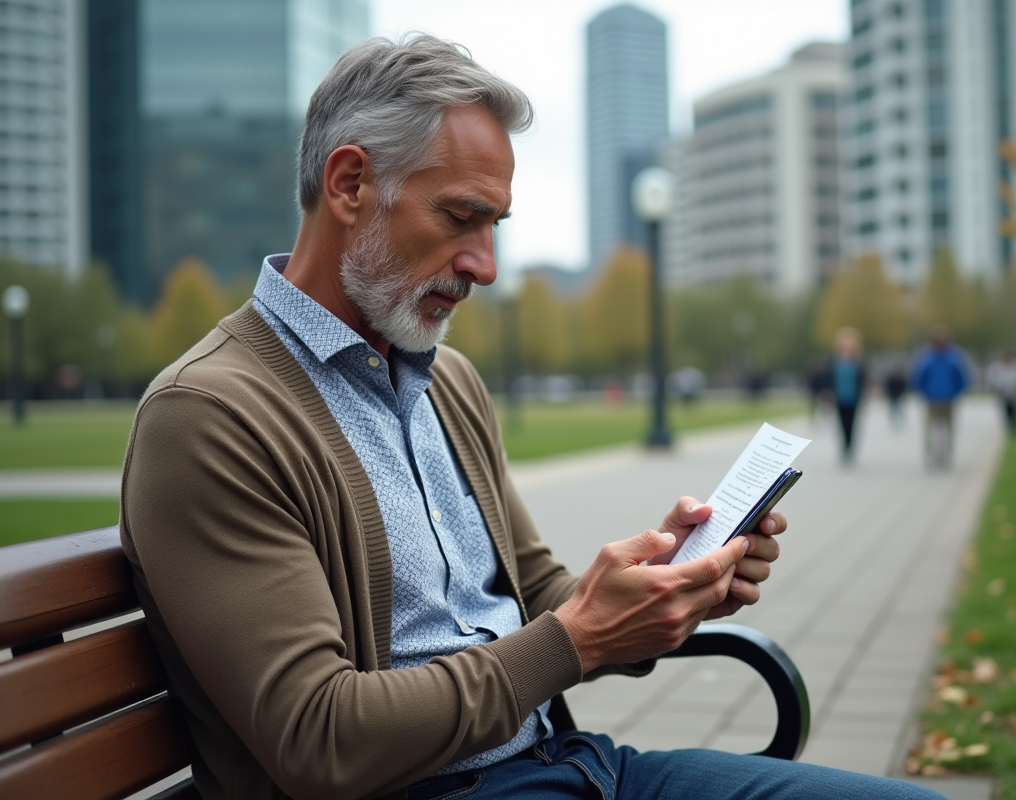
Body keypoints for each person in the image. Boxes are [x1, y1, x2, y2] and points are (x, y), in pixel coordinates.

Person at [120, 35, 944, 800]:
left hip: (571, 767)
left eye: (495, 226)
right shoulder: (210, 417)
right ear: (349, 185)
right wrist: (582, 638)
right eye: (460, 218)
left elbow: (537, 595)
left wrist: (666, 585)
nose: (484, 265)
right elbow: (318, 738)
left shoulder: (448, 382)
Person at [911, 326, 971, 469]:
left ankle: (947, 454)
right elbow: (918, 377)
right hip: (931, 399)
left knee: (948, 428)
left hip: (949, 398)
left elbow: (962, 377)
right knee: (930, 429)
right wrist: (923, 392)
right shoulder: (927, 356)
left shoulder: (953, 357)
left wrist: (957, 392)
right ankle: (931, 455)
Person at [829, 327, 867, 462]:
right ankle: (844, 445)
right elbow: (830, 379)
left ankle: (850, 446)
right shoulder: (835, 362)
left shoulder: (858, 363)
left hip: (853, 398)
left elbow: (862, 380)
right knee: (841, 424)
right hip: (839, 398)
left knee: (852, 424)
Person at [985, 350, 1016, 434]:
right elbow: (992, 379)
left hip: (1015, 391)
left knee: (1014, 409)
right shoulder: (996, 367)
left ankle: (1014, 425)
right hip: (1002, 391)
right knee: (1005, 409)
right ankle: (1007, 425)